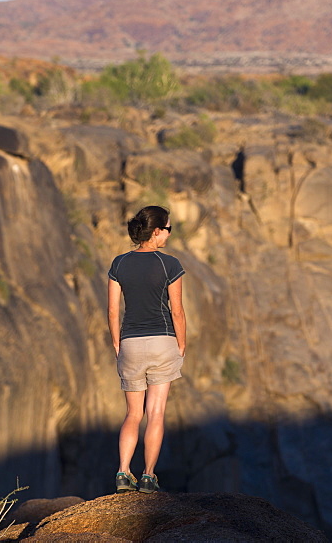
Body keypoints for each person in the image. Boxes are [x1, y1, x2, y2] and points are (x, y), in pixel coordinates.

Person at [107, 205, 187, 494]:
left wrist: (117, 342)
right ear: (156, 231)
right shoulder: (170, 265)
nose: (168, 234)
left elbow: (113, 310)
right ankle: (148, 476)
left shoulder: (119, 263)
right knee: (156, 413)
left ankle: (122, 471)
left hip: (130, 342)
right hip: (163, 341)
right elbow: (177, 310)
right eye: (168, 228)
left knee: (132, 414)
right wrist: (181, 343)